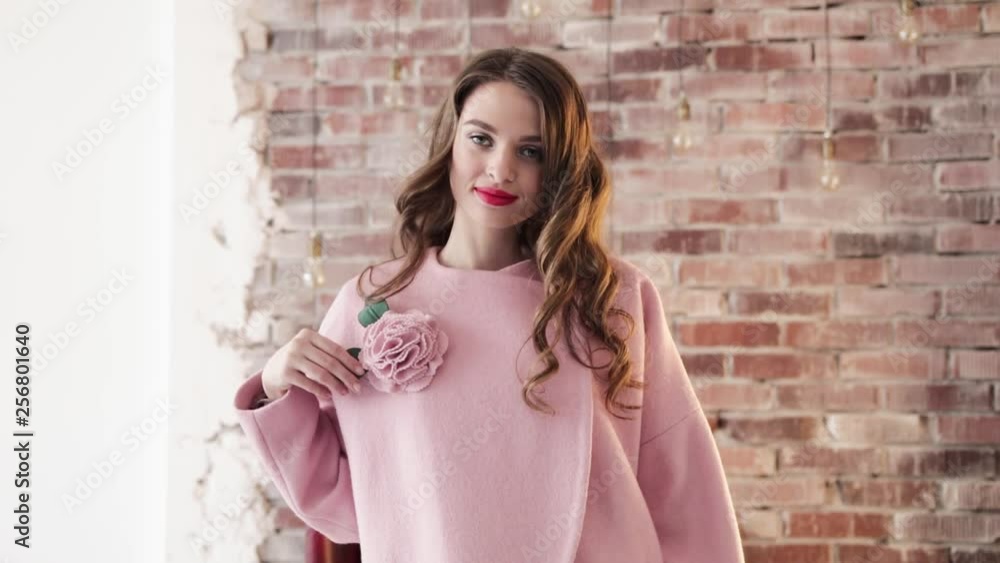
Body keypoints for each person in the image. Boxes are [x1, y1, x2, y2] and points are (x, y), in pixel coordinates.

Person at [233, 47, 745, 563]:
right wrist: (275, 387)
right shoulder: (371, 304)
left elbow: (685, 493)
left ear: (559, 169)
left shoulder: (613, 296)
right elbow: (347, 505)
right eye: (481, 139)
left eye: (532, 151)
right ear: (451, 143)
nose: (501, 169)